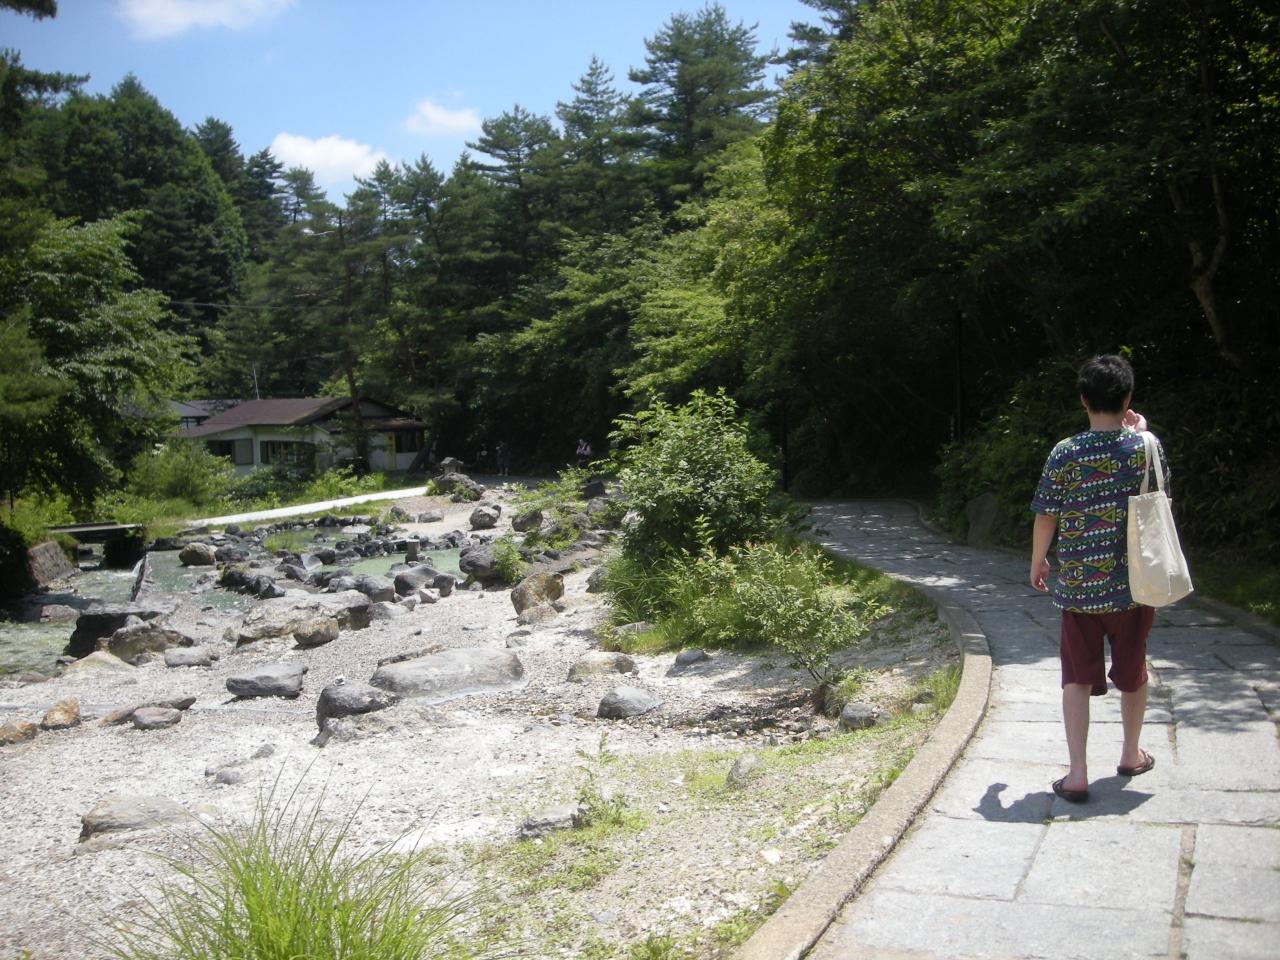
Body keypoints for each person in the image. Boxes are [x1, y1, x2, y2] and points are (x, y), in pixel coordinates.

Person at [1029, 354, 1167, 804]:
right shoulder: (1144, 446)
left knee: (1076, 678)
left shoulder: (1066, 452)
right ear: (1127, 398)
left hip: (1079, 588)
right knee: (1134, 670)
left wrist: (1038, 562)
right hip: (1133, 586)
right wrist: (1141, 434)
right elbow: (1160, 496)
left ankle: (1077, 773)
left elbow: (1046, 514)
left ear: (1084, 399)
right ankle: (1130, 754)